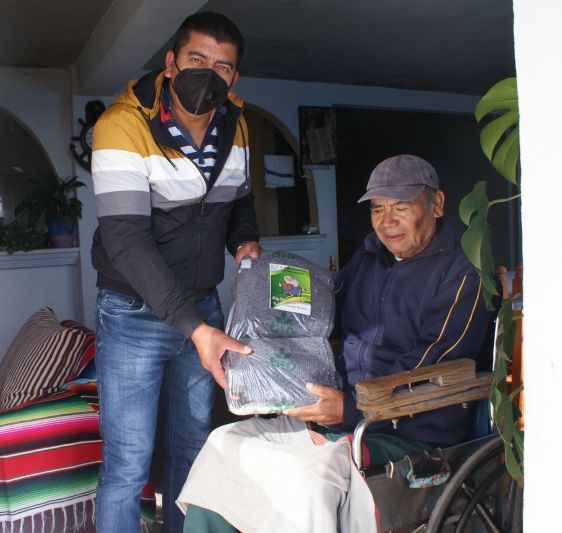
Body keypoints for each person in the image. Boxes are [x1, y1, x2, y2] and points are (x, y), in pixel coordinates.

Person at [177, 154, 494, 532]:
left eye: (402, 206)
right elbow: (317, 310)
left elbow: (429, 370)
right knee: (224, 446)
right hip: (340, 415)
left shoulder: (461, 274)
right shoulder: (369, 257)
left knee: (303, 479)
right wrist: (259, 292)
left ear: (436, 204)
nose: (387, 221)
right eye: (378, 208)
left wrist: (348, 410)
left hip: (407, 433)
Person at [89, 11, 261, 533]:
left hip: (202, 307)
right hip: (133, 315)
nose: (209, 73)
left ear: (234, 77)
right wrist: (198, 328)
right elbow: (126, 241)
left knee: (193, 447)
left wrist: (244, 242)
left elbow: (241, 201)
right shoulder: (122, 125)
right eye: (196, 59)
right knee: (128, 463)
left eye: (224, 67)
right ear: (170, 62)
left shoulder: (238, 122)